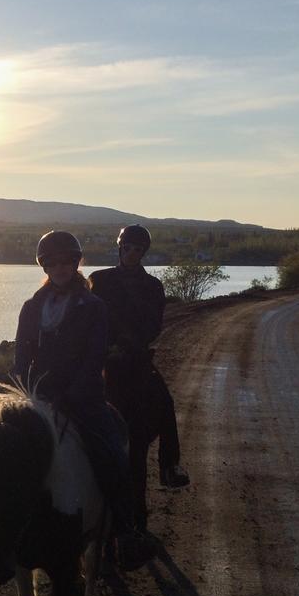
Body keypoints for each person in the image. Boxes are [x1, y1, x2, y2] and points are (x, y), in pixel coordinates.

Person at [13, 230, 154, 570]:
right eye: (53, 263)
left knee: (111, 454)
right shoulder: (33, 307)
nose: (60, 269)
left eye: (66, 262)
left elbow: (94, 358)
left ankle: (125, 532)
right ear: (44, 267)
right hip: (40, 396)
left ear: (75, 264)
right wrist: (24, 387)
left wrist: (71, 394)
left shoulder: (93, 307)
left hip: (82, 398)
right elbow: (21, 355)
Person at [89, 225, 189, 530]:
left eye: (137, 250)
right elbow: (92, 318)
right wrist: (110, 344)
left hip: (135, 359)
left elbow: (154, 325)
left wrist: (132, 343)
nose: (132, 253)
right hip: (106, 358)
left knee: (166, 403)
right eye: (128, 248)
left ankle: (169, 466)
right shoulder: (99, 280)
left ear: (143, 253)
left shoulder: (152, 286)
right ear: (120, 249)